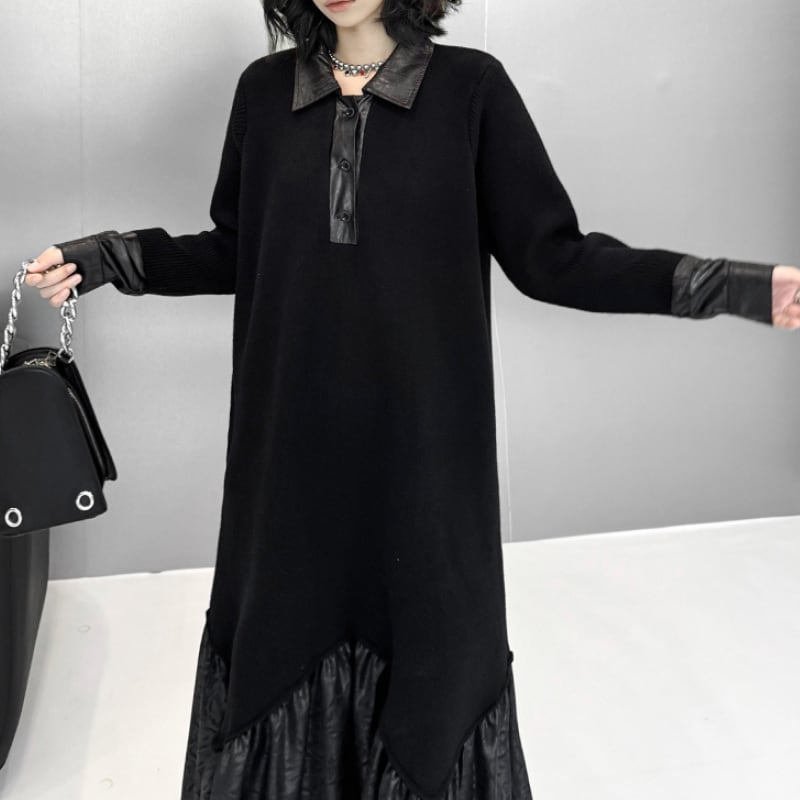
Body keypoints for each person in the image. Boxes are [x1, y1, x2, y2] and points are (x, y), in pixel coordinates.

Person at [23, 0, 800, 798]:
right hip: (289, 450)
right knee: (281, 635)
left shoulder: (471, 90)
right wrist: (110, 257)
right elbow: (238, 248)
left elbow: (555, 259)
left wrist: (734, 287)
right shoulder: (263, 92)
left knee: (434, 658)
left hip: (425, 452)